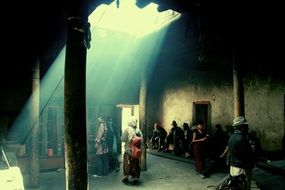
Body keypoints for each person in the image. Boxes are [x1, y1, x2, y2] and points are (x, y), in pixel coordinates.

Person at [227, 116, 253, 190]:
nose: (247, 128)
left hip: (233, 166)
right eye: (245, 126)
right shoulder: (242, 138)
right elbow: (245, 154)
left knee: (234, 186)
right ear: (242, 127)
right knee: (242, 186)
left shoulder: (231, 136)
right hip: (241, 167)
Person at [121, 117, 143, 185]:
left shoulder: (127, 129)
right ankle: (135, 179)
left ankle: (126, 178)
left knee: (127, 164)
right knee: (136, 164)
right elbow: (141, 140)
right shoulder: (138, 130)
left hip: (129, 150)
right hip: (136, 151)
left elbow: (123, 139)